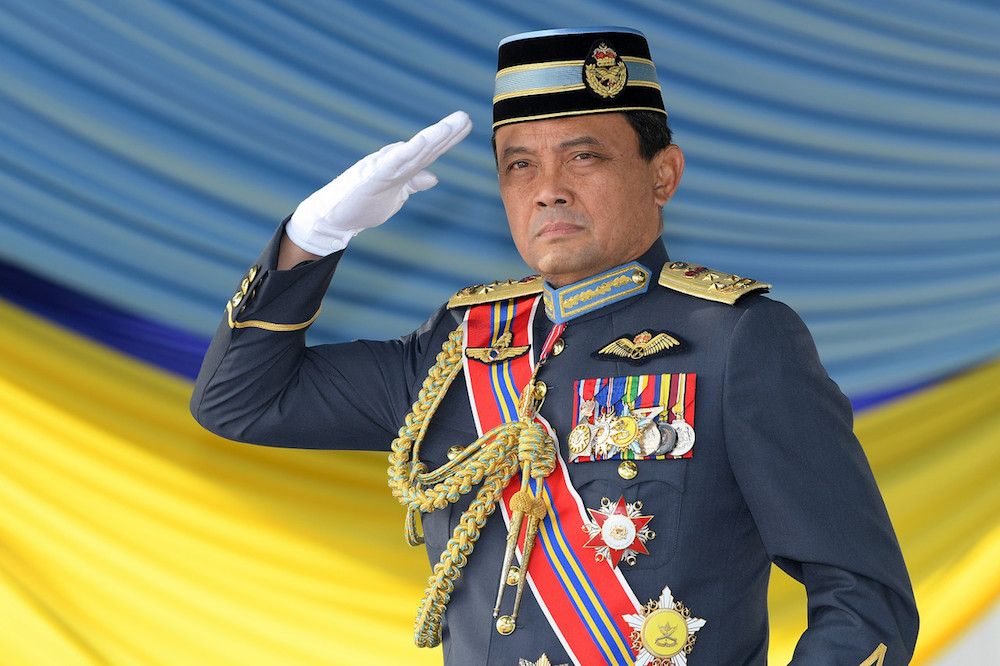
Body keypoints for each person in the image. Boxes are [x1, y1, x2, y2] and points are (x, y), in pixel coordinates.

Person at [191, 26, 918, 665]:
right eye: (519, 165)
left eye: (584, 158)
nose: (548, 190)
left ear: (662, 175)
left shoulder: (738, 338)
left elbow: (863, 596)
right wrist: (309, 242)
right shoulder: (462, 347)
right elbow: (240, 402)